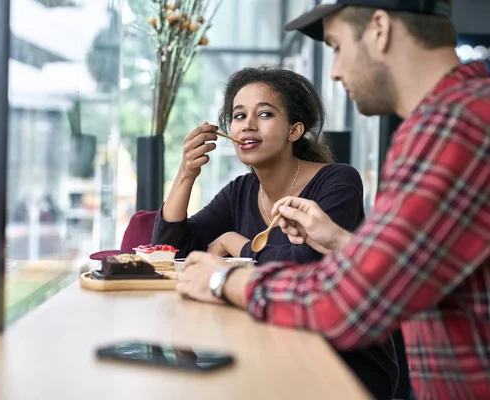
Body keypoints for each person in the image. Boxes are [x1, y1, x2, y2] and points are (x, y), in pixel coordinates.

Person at [176, 1, 490, 399]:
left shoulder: (453, 127)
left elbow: (348, 301)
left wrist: (223, 279)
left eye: (338, 46)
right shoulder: (463, 114)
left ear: (379, 28)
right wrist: (342, 242)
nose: (336, 70)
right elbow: (409, 270)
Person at [153, 66, 398, 399]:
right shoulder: (240, 190)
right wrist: (185, 175)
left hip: (343, 363)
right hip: (269, 353)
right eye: (238, 116)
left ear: (294, 130)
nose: (248, 124)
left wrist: (234, 243)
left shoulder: (339, 181)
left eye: (264, 113)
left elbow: (304, 266)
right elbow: (169, 252)